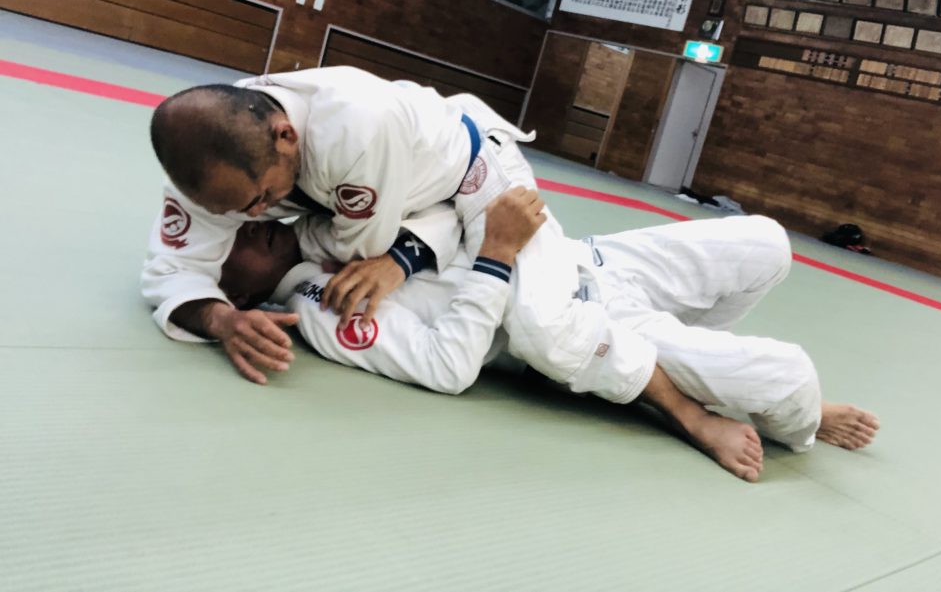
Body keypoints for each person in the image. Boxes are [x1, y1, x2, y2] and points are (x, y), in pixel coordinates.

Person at [217, 191, 880, 482]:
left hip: (587, 257)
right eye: (233, 251)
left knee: (767, 242)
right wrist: (497, 254)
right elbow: (449, 364)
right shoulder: (317, 306)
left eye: (242, 223)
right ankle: (791, 417)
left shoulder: (325, 220)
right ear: (242, 296)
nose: (250, 231)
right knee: (789, 377)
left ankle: (691, 362)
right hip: (570, 313)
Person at [143, 68, 690, 412]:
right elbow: (168, 271)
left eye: (261, 197)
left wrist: (400, 260)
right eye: (237, 211)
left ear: (285, 136)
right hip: (417, 190)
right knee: (558, 314)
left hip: (473, 169)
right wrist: (221, 319)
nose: (256, 217)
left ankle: (687, 415)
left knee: (544, 325)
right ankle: (633, 320)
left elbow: (386, 238)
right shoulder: (212, 173)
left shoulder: (354, 130)